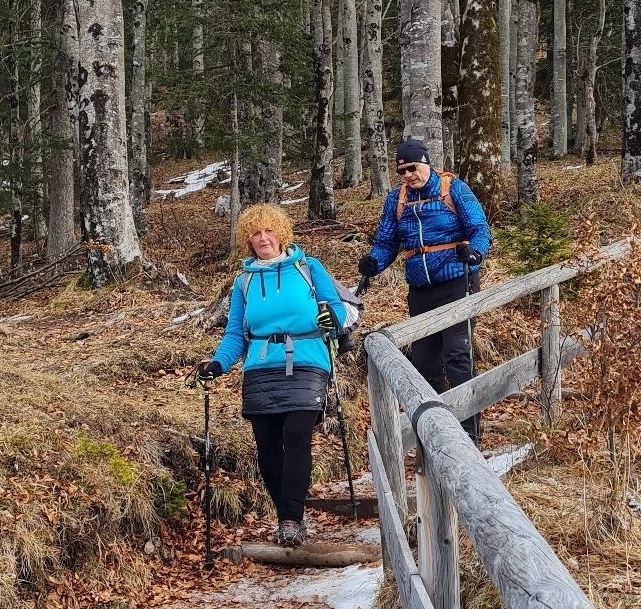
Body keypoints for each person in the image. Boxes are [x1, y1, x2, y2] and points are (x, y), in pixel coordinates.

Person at [195, 204, 348, 548]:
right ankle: (285, 516)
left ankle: (291, 519)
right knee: (266, 444)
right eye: (255, 233)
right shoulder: (244, 281)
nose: (263, 238)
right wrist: (218, 364)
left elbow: (336, 306)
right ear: (247, 240)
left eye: (269, 231)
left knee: (296, 433)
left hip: (308, 359)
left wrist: (332, 320)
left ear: (281, 234)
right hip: (260, 367)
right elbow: (236, 334)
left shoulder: (308, 267)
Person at [358, 137, 491, 432]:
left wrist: (475, 253)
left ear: (426, 163)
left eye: (413, 168)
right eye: (402, 172)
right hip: (420, 287)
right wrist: (374, 263)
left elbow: (480, 229)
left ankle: (469, 430)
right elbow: (387, 242)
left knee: (457, 353)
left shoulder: (453, 189)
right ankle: (437, 429)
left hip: (457, 280)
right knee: (425, 359)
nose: (408, 176)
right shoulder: (397, 200)